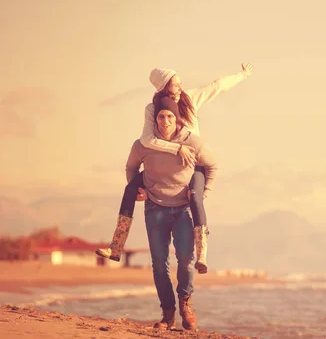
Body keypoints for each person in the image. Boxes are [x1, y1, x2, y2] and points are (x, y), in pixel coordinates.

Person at [96, 63, 252, 273]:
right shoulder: (153, 109)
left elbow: (216, 87)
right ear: (163, 87)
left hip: (190, 166)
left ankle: (202, 254)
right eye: (175, 84)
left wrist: (241, 75)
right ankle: (115, 248)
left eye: (179, 83)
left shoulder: (190, 99)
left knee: (196, 197)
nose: (180, 87)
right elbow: (147, 140)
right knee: (130, 189)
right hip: (161, 165)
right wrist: (177, 148)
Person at [127, 94, 218, 330]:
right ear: (155, 119)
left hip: (184, 210)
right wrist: (138, 190)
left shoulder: (193, 142)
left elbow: (213, 165)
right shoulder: (143, 144)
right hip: (155, 208)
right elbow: (131, 166)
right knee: (159, 263)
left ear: (177, 120)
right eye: (161, 116)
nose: (165, 121)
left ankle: (186, 304)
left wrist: (202, 194)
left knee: (186, 261)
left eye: (169, 116)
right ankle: (168, 313)